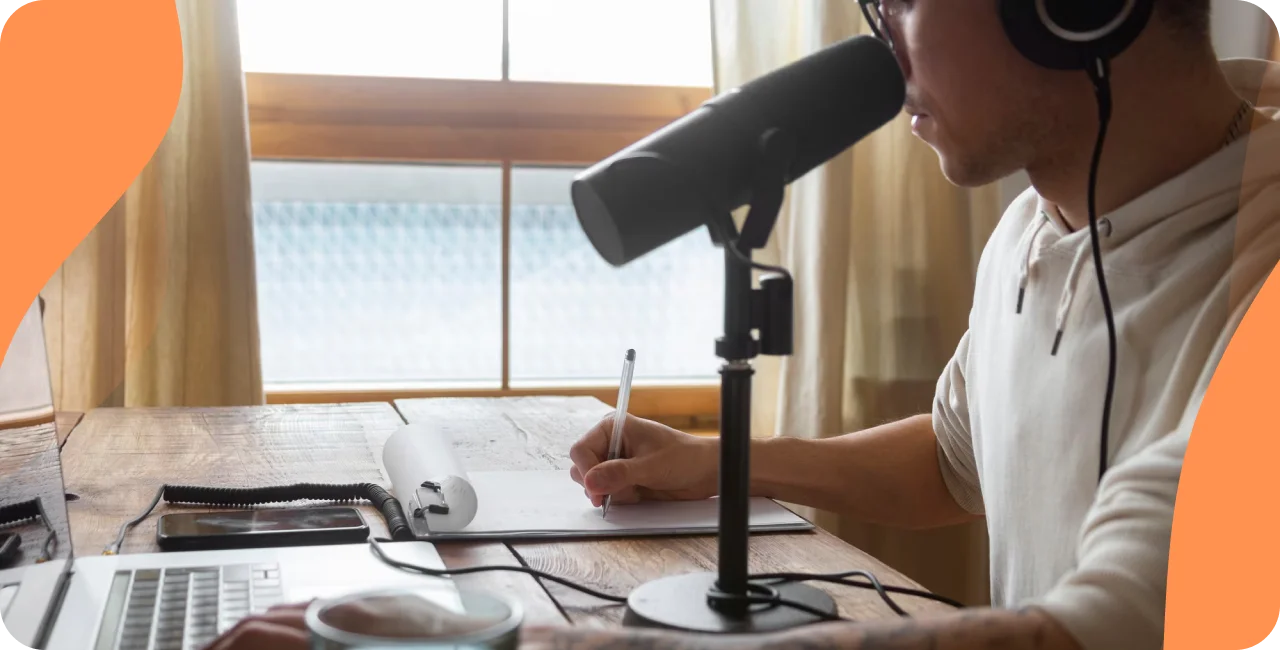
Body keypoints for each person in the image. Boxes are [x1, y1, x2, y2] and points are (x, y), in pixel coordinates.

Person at [206, 0, 1280, 648]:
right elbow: (956, 460)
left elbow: (1088, 634)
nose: (881, 39)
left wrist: (483, 639)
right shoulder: (1036, 230)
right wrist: (719, 460)